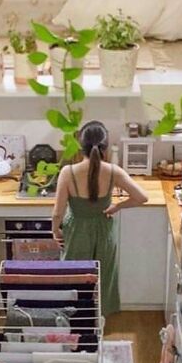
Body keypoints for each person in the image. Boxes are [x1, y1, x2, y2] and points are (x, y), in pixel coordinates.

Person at [52, 121, 149, 316]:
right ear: (105, 148)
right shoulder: (114, 171)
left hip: (76, 229)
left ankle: (75, 315)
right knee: (104, 274)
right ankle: (100, 317)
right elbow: (142, 197)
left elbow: (57, 212)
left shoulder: (68, 172)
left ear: (81, 146)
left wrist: (56, 230)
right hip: (104, 229)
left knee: (74, 274)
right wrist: (117, 206)